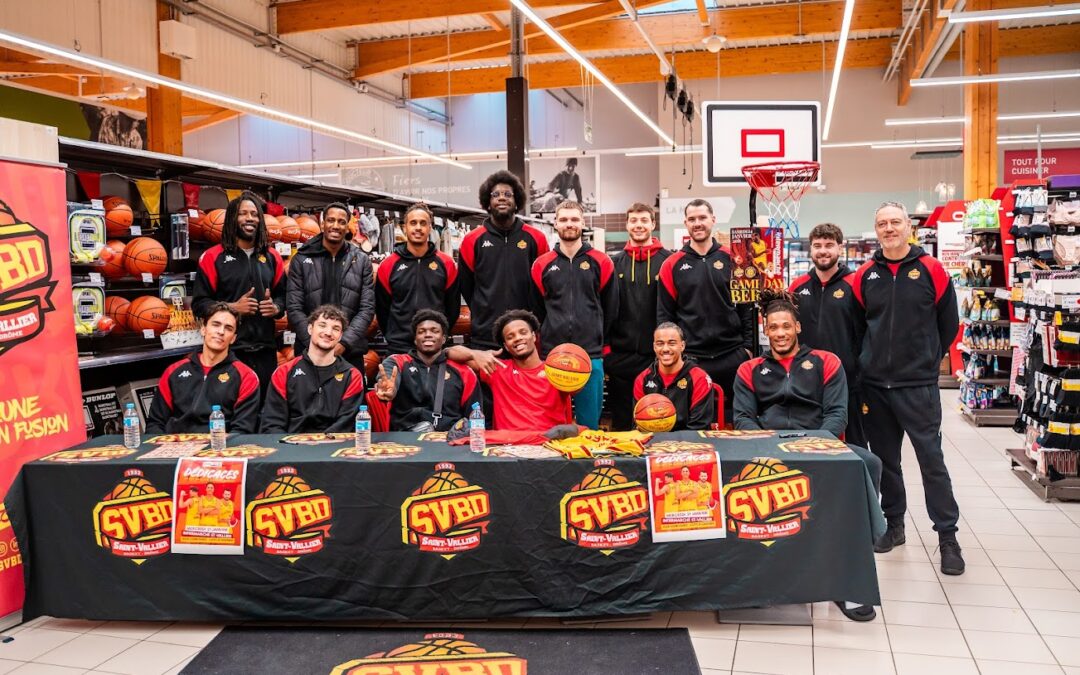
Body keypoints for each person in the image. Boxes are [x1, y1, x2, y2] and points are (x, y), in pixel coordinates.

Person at [733, 288, 883, 622]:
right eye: (774, 327)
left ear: (798, 327)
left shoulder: (826, 362)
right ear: (765, 330)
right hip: (766, 448)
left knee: (870, 463)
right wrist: (771, 448)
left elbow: (837, 416)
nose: (781, 333)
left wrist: (811, 449)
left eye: (786, 326)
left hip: (818, 444)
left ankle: (850, 572)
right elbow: (743, 419)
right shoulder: (749, 369)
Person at [852, 201, 963, 576]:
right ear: (876, 230)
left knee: (932, 461)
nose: (889, 228)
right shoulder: (865, 275)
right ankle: (894, 524)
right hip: (875, 387)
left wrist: (927, 361)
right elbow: (859, 327)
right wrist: (867, 364)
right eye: (882, 223)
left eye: (895, 222)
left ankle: (947, 537)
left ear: (907, 227)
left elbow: (949, 325)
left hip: (917, 386)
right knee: (886, 462)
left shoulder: (932, 270)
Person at [658, 199, 754, 422]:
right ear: (685, 223)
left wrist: (748, 348)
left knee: (736, 422)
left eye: (702, 217)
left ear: (713, 220)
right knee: (693, 423)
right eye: (692, 219)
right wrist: (673, 352)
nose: (697, 223)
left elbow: (746, 308)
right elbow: (665, 315)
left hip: (732, 354)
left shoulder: (734, 259)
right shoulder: (671, 264)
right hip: (691, 359)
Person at [530, 200, 618, 428]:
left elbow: (611, 308)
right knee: (551, 424)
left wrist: (599, 339)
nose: (569, 224)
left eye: (574, 219)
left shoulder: (602, 261)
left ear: (583, 223)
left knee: (589, 424)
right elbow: (536, 310)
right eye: (564, 219)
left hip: (590, 354)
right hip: (552, 354)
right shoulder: (541, 264)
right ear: (555, 223)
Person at [193, 192, 286, 399]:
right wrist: (233, 308)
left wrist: (276, 308)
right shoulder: (213, 257)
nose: (249, 218)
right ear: (232, 219)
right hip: (228, 351)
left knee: (264, 409)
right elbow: (199, 305)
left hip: (265, 350)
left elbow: (283, 296)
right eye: (243, 214)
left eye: (254, 214)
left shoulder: (273, 257)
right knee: (228, 408)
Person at [788, 223, 866, 447]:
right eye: (817, 245)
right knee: (809, 442)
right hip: (806, 380)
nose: (823, 251)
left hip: (848, 380)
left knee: (854, 443)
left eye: (829, 245)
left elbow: (867, 330)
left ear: (840, 248)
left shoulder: (855, 284)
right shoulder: (797, 286)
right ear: (811, 249)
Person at [458, 171, 549, 351]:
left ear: (517, 201)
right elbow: (466, 286)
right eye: (495, 194)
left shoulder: (536, 238)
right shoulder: (472, 240)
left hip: (525, 335)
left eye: (508, 194)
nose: (501, 198)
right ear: (488, 202)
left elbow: (544, 285)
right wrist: (483, 311)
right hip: (485, 335)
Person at [447, 309, 573, 431]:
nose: (517, 338)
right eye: (510, 337)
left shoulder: (557, 370)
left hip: (550, 442)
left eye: (523, 332)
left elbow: (577, 387)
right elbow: (448, 352)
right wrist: (475, 354)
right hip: (508, 443)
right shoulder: (497, 368)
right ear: (506, 346)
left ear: (534, 336)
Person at [286, 202, 375, 373]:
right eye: (331, 220)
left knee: (350, 391)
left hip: (349, 352)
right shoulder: (301, 259)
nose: (336, 226)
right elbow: (294, 307)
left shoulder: (362, 260)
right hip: (309, 351)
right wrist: (316, 343)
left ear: (347, 226)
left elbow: (367, 309)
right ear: (322, 224)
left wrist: (344, 343)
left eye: (341, 222)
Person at [146, 303, 260, 434]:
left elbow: (242, 431)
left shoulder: (246, 376)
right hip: (176, 443)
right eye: (216, 325)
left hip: (220, 445)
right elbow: (155, 423)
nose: (221, 332)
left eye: (228, 328)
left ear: (233, 338)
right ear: (203, 329)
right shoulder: (173, 371)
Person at [607, 203, 673, 430]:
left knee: (658, 422)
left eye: (644, 220)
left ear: (653, 224)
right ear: (627, 225)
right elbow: (606, 308)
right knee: (622, 425)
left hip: (657, 357)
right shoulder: (613, 263)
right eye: (633, 221)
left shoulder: (669, 261)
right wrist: (608, 351)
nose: (639, 225)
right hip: (620, 357)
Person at [261, 305, 365, 433]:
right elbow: (272, 424)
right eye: (322, 325)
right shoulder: (284, 372)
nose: (328, 333)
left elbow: (346, 425)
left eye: (336, 329)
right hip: (290, 443)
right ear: (310, 329)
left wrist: (320, 442)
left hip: (334, 443)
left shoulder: (352, 375)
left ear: (340, 336)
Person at [374, 309, 481, 431]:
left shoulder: (463, 372)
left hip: (448, 438)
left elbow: (474, 417)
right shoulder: (398, 362)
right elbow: (387, 376)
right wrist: (389, 390)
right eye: (421, 331)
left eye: (435, 331)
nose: (428, 334)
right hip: (404, 436)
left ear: (444, 339)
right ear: (415, 339)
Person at [375, 203, 461, 353]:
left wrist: (439, 334)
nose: (418, 228)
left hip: (434, 346)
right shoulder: (388, 265)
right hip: (398, 347)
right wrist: (394, 335)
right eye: (413, 223)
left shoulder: (446, 263)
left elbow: (453, 307)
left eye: (423, 223)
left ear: (430, 227)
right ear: (405, 227)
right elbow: (382, 309)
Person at [633, 323, 715, 431]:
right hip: (653, 439)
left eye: (672, 343)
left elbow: (699, 428)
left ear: (682, 346)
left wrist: (671, 440)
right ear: (654, 347)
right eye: (660, 344)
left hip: (690, 439)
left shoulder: (699, 378)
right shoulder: (642, 379)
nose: (665, 349)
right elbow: (638, 425)